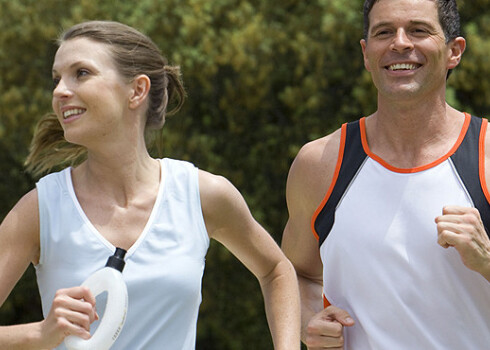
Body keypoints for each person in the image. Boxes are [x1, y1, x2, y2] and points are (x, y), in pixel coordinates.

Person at [0, 20, 300, 349]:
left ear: (137, 90)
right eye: (57, 79)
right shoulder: (40, 210)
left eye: (81, 73)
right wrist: (39, 334)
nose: (59, 91)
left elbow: (275, 269)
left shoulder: (202, 196)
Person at [281, 0, 490, 348]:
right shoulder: (319, 164)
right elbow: (294, 276)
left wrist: (486, 261)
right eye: (383, 32)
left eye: (419, 30)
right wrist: (308, 321)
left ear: (454, 51)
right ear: (366, 54)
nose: (400, 43)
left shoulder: (486, 156)